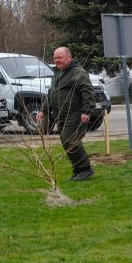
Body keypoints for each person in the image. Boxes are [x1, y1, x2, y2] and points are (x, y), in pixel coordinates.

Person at [36, 46, 94, 181]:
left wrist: (86, 111)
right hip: (61, 115)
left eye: (60, 57)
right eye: (55, 58)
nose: (57, 60)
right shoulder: (57, 73)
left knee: (70, 140)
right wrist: (43, 110)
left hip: (75, 113)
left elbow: (87, 91)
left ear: (69, 57)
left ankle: (85, 169)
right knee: (66, 141)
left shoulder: (78, 72)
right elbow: (51, 93)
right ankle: (78, 170)